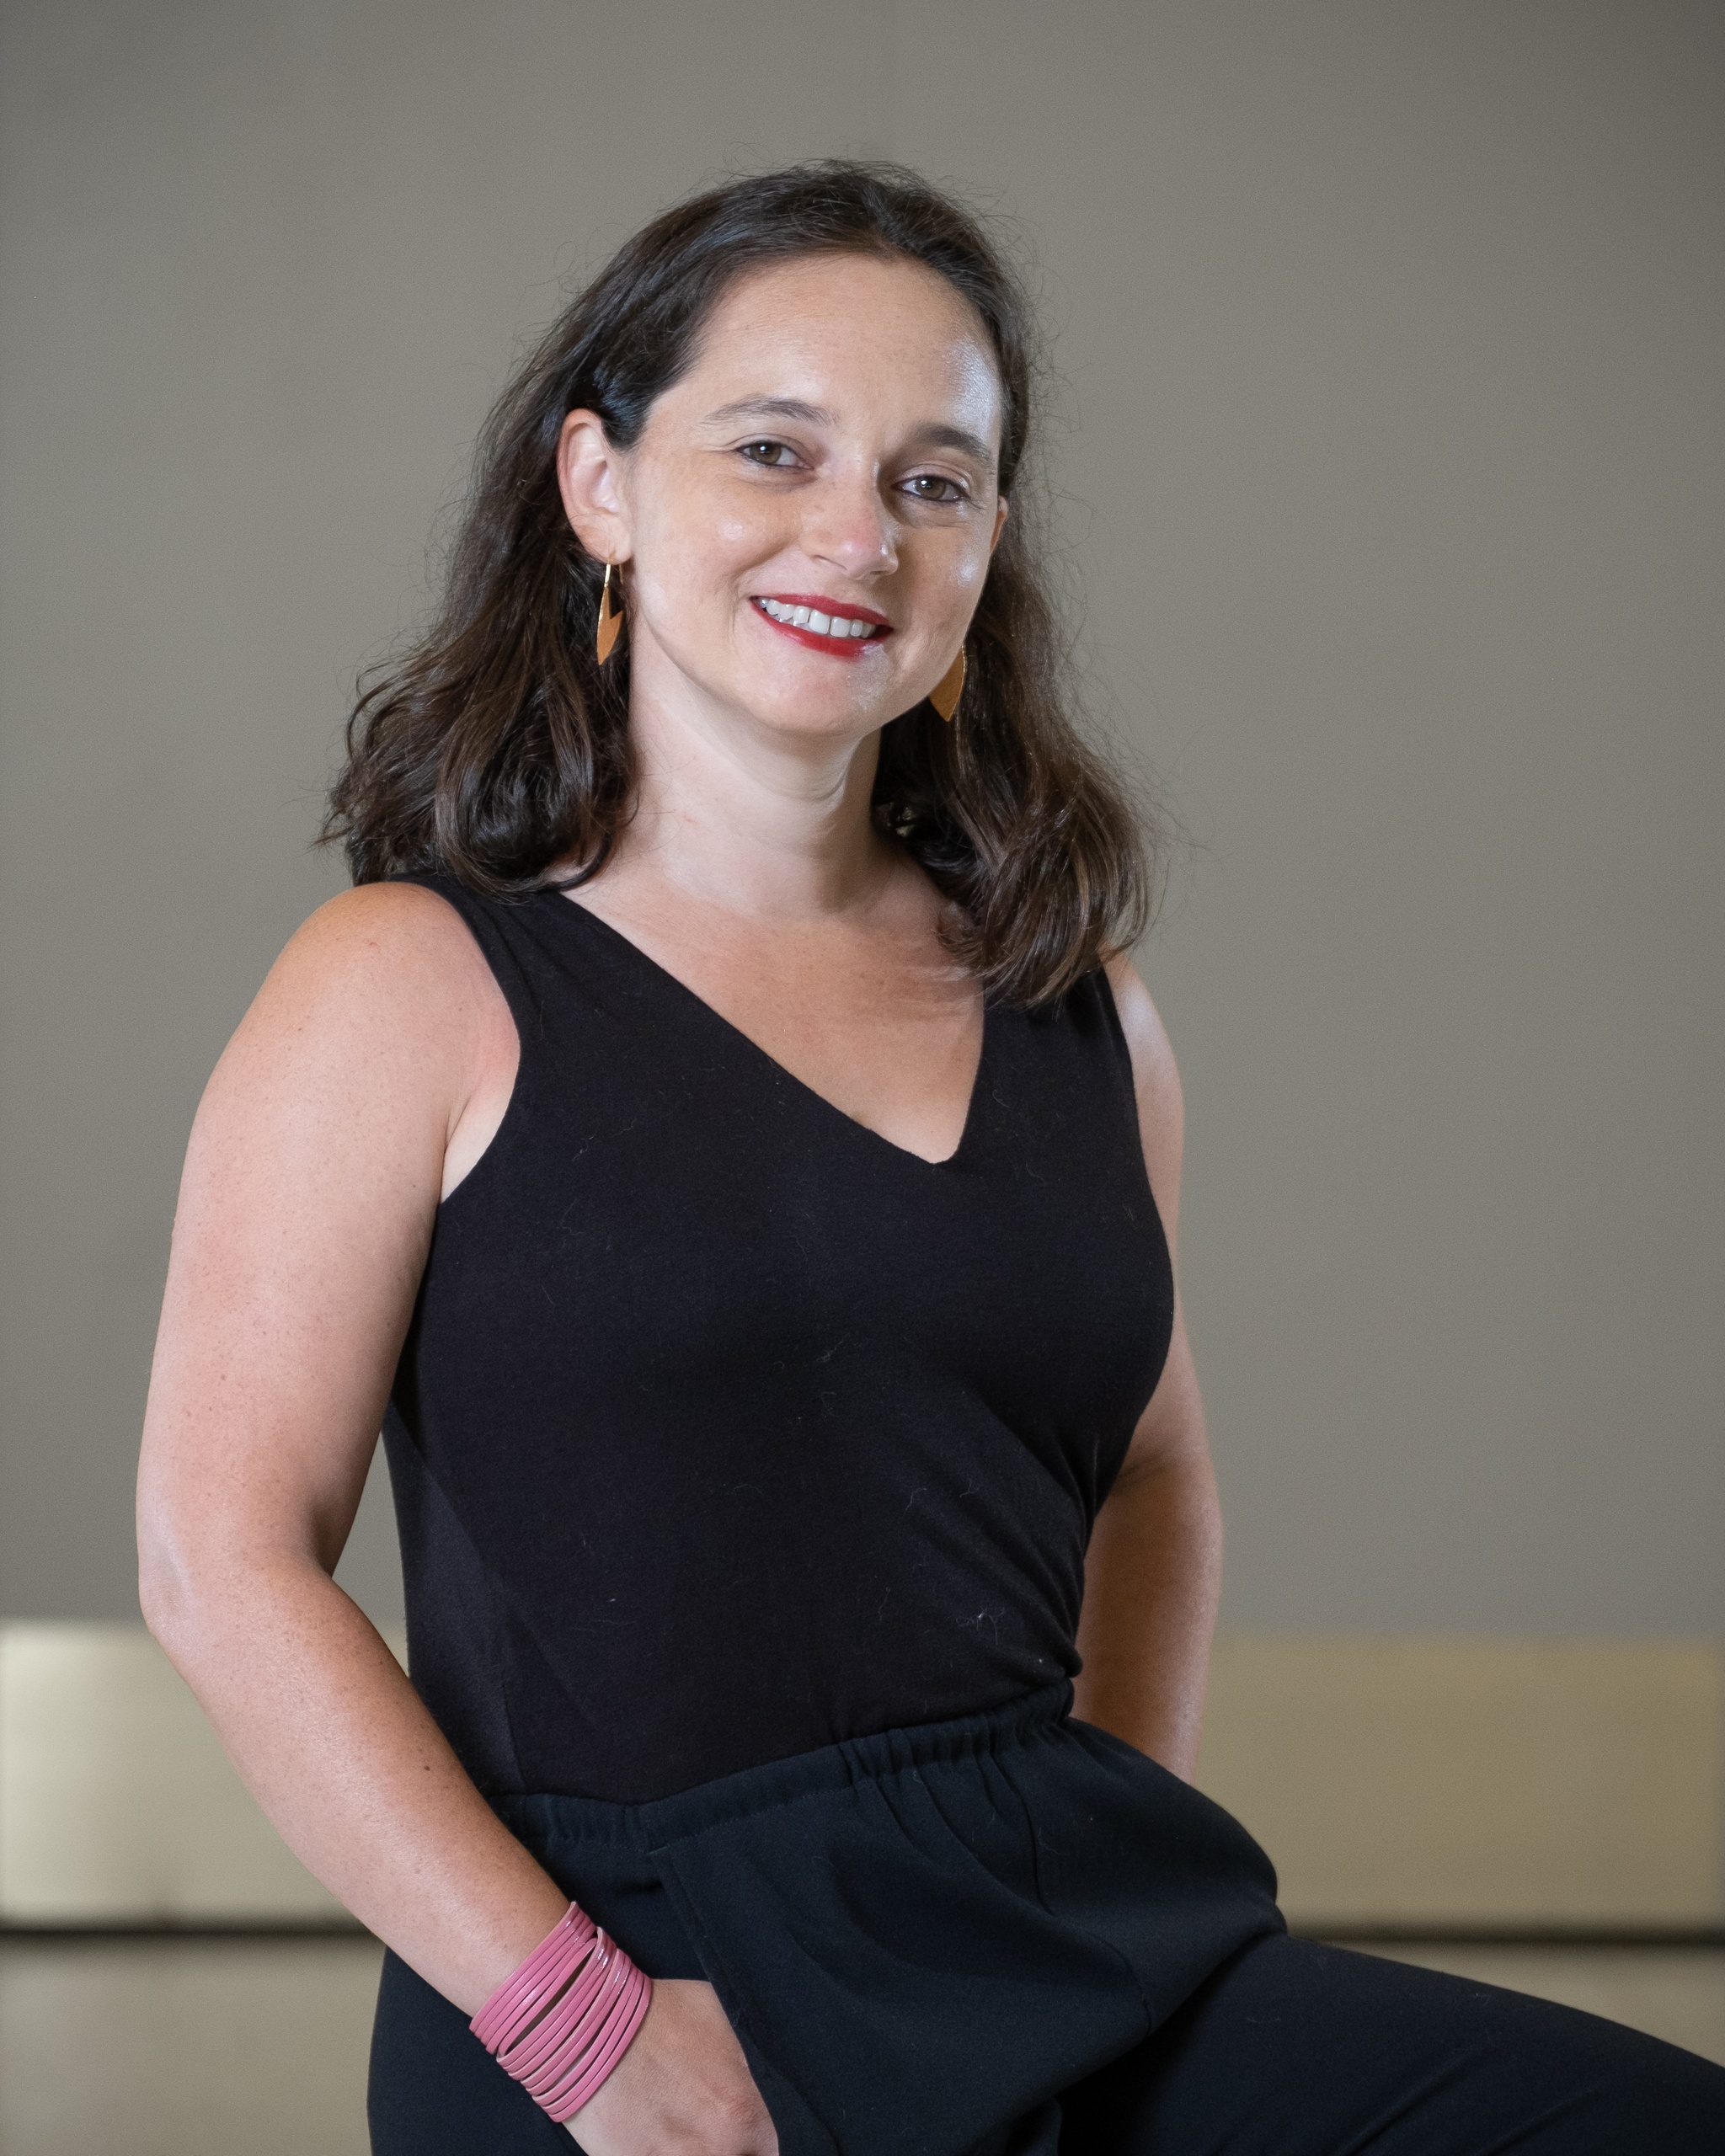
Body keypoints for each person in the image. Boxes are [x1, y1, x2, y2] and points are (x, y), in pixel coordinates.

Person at [136, 162, 1723, 2156]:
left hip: (1057, 1949)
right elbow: (221, 1556)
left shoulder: (1081, 1005)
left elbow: (1155, 1474)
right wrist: (586, 2035)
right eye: (773, 449)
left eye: (933, 478)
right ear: (599, 486)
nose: (854, 534)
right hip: (634, 1985)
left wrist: (1089, 1866)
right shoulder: (407, 984)